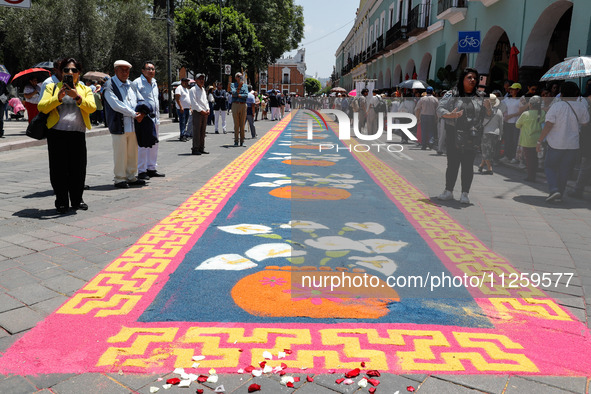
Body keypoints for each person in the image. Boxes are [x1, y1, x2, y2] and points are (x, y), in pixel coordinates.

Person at [37, 57, 96, 213]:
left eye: (74, 70)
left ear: (79, 73)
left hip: (77, 134)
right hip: (56, 133)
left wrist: (77, 96)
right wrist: (58, 98)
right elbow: (42, 107)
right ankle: (61, 201)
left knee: (78, 169)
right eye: (66, 70)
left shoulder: (85, 89)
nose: (70, 72)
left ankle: (77, 200)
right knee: (58, 169)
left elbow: (92, 108)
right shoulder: (52, 87)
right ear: (60, 72)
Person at [437, 67, 486, 204]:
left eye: (475, 78)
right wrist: (450, 114)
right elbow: (440, 108)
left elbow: (486, 115)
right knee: (452, 163)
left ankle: (465, 193)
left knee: (468, 165)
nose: (472, 80)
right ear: (463, 79)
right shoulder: (451, 94)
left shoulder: (481, 96)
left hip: (472, 135)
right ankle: (448, 191)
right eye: (469, 77)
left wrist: (489, 110)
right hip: (453, 133)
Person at [537, 82, 590, 202]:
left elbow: (548, 125)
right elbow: (585, 123)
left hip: (556, 143)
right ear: (576, 94)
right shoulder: (581, 106)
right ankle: (559, 193)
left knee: (550, 166)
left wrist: (539, 141)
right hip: (573, 145)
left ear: (561, 94)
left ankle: (554, 190)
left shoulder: (556, 106)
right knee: (564, 170)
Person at [103, 60, 146, 189]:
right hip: (119, 125)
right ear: (115, 70)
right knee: (120, 153)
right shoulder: (109, 85)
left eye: (127, 70)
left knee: (132, 152)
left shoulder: (132, 85)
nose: (125, 72)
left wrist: (142, 112)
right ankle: (119, 178)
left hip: (133, 125)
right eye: (122, 70)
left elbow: (140, 99)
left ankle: (132, 176)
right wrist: (134, 113)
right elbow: (115, 105)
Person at [134, 61, 165, 180]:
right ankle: (141, 170)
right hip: (145, 118)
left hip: (155, 118)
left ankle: (151, 168)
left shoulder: (154, 82)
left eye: (153, 69)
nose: (151, 71)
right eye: (148, 69)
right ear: (143, 70)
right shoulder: (137, 82)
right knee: (143, 145)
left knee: (154, 144)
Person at [516, 96, 545, 182]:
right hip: (539, 140)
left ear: (530, 105)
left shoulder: (526, 114)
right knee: (535, 159)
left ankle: (530, 177)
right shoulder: (543, 113)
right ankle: (533, 175)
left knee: (529, 160)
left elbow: (517, 125)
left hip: (527, 140)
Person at [477, 93, 503, 175]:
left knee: (485, 150)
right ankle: (481, 165)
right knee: (489, 150)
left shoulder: (485, 111)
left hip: (487, 132)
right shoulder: (499, 112)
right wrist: (500, 135)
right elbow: (501, 125)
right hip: (496, 133)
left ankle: (489, 168)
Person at [500, 83, 523, 163]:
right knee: (507, 139)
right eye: (511, 89)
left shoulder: (521, 100)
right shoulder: (507, 99)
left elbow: (521, 112)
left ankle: (514, 157)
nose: (511, 91)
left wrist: (511, 116)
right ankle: (507, 155)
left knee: (514, 140)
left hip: (516, 122)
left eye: (513, 89)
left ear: (518, 90)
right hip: (507, 122)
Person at [189, 73, 209, 155]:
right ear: (196, 80)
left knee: (203, 131)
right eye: (200, 79)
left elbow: (205, 101)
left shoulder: (203, 89)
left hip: (204, 112)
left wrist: (208, 109)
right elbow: (194, 103)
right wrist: (201, 111)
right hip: (198, 112)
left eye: (203, 79)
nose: (202, 80)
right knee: (197, 131)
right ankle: (195, 148)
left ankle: (201, 147)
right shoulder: (193, 90)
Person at [230, 72, 248, 146]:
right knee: (236, 124)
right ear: (235, 77)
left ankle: (242, 141)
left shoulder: (245, 85)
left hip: (243, 105)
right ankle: (236, 141)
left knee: (242, 124)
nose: (240, 77)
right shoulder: (233, 85)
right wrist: (239, 88)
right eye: (238, 76)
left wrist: (239, 95)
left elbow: (246, 95)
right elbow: (233, 94)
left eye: (241, 76)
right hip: (235, 105)